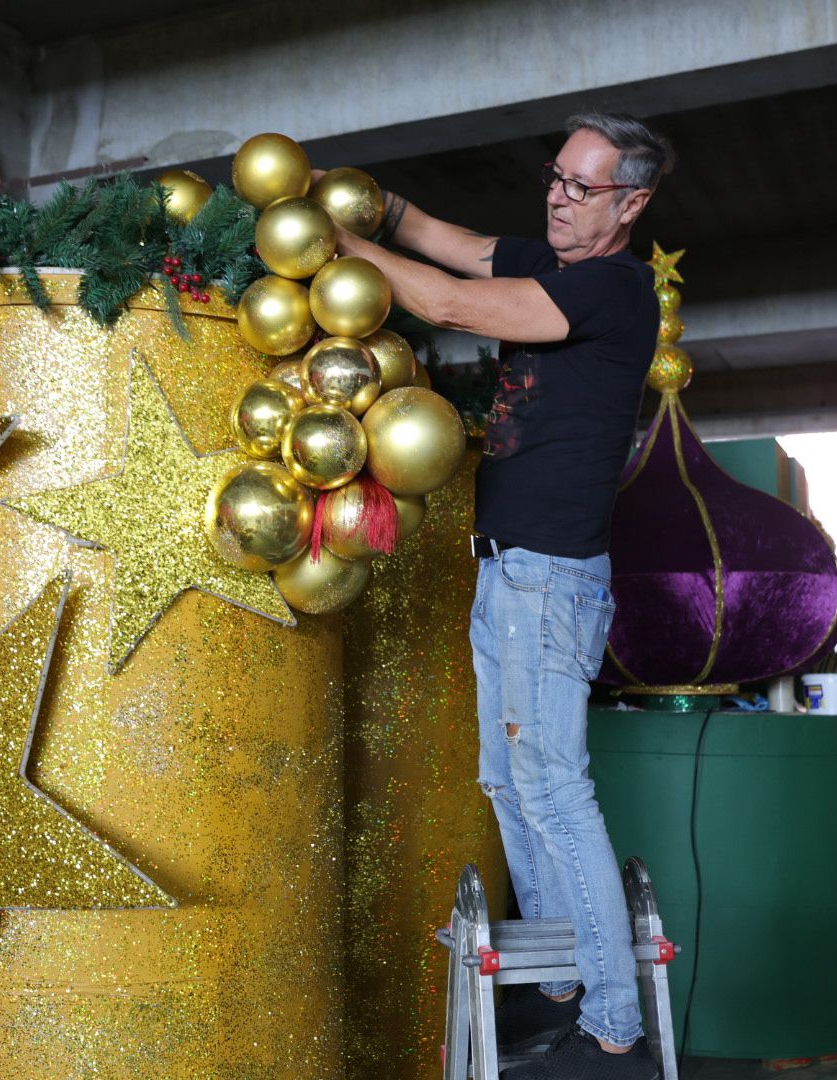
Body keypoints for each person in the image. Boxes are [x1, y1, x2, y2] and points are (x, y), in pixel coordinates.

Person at [331, 112, 674, 1079]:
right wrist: (373, 204)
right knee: (505, 782)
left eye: (581, 187)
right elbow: (452, 245)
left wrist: (340, 244)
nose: (557, 198)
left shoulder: (613, 290)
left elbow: (452, 302)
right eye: (554, 177)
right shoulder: (554, 259)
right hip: (508, 567)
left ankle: (612, 1024)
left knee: (557, 794)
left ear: (632, 204)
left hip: (550, 579)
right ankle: (566, 979)